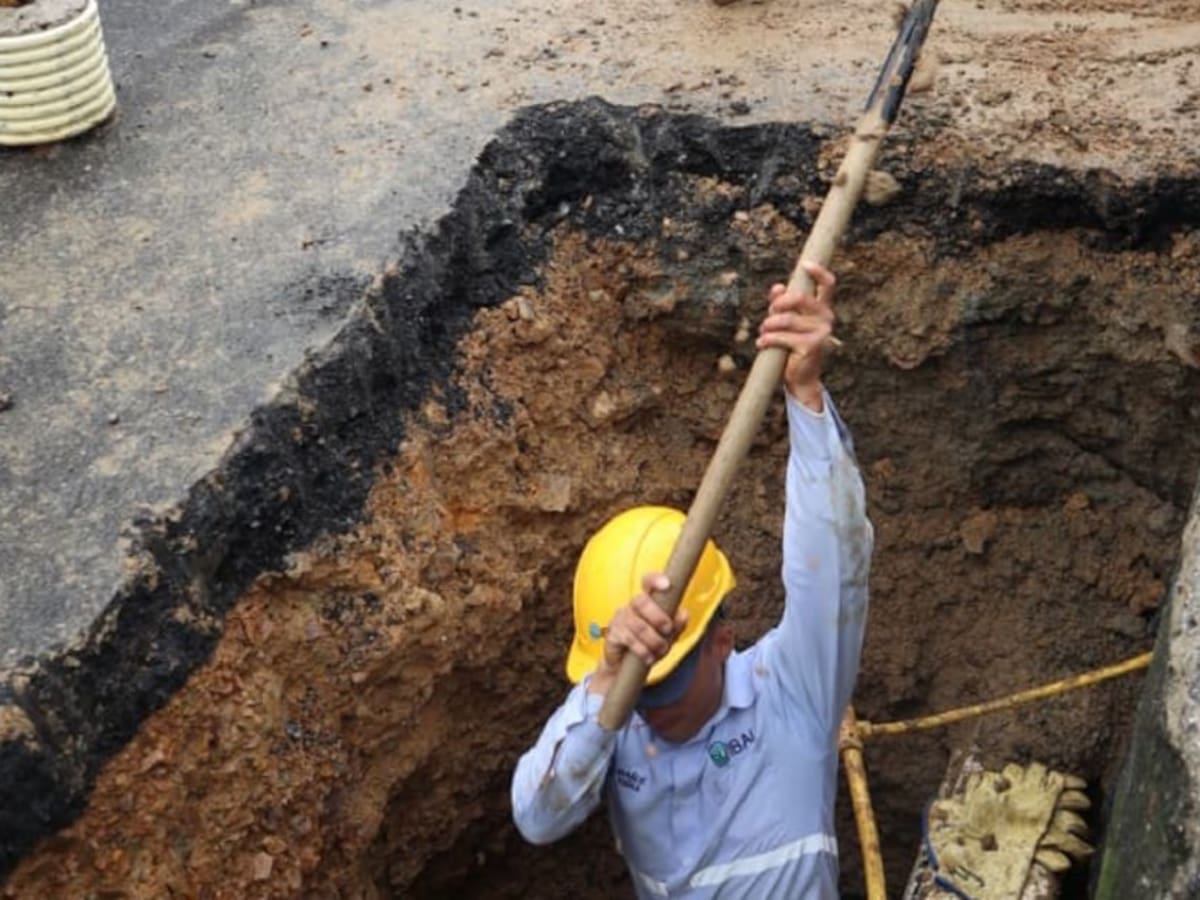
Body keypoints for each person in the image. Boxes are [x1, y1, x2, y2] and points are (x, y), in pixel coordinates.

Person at [511, 261, 873, 898]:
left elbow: (834, 565)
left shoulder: (792, 691)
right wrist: (606, 687)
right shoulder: (614, 718)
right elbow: (540, 819)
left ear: (721, 639)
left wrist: (806, 395)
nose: (653, 705)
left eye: (667, 680)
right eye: (640, 688)